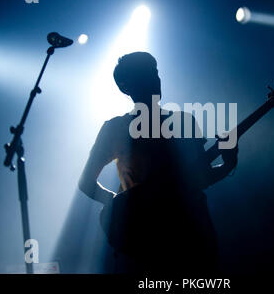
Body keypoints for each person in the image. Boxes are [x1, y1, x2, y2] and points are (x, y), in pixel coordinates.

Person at [78, 52, 238, 273]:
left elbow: (201, 178)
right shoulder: (115, 128)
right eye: (145, 75)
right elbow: (86, 181)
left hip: (193, 238)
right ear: (126, 87)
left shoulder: (185, 121)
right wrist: (121, 204)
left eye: (155, 73)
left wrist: (228, 164)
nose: (155, 80)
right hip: (145, 245)